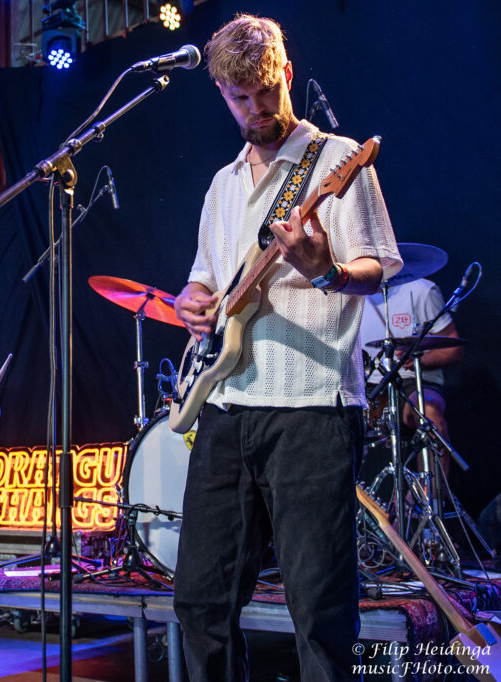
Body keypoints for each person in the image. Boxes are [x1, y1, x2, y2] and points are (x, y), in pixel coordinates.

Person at [171, 14, 401, 682]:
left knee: (319, 612)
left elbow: (377, 267)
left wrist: (324, 268)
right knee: (199, 602)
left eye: (267, 91)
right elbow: (206, 275)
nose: (257, 108)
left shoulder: (336, 159)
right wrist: (192, 299)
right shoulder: (222, 184)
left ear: (287, 75)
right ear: (221, 93)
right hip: (226, 404)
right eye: (241, 98)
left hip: (312, 404)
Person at [359, 277, 463, 475]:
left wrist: (421, 359)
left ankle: (429, 492)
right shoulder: (349, 291)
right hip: (364, 385)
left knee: (429, 412)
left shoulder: (422, 290)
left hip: (413, 381)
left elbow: (454, 348)